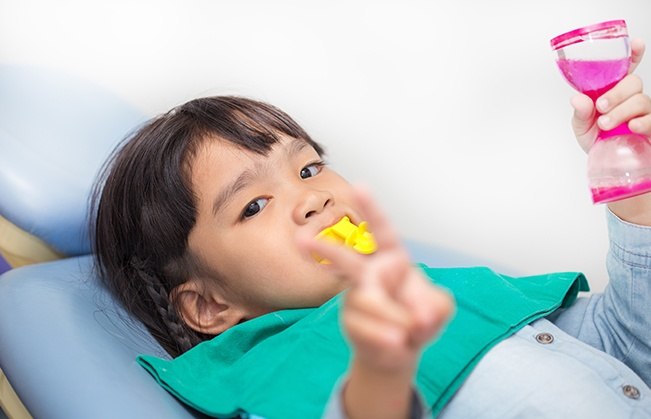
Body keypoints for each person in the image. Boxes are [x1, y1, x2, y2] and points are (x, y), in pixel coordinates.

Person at [92, 39, 651, 419]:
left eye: (309, 168)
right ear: (210, 307)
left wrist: (634, 195)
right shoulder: (276, 372)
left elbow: (628, 348)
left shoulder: (448, 292)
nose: (314, 197)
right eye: (254, 205)